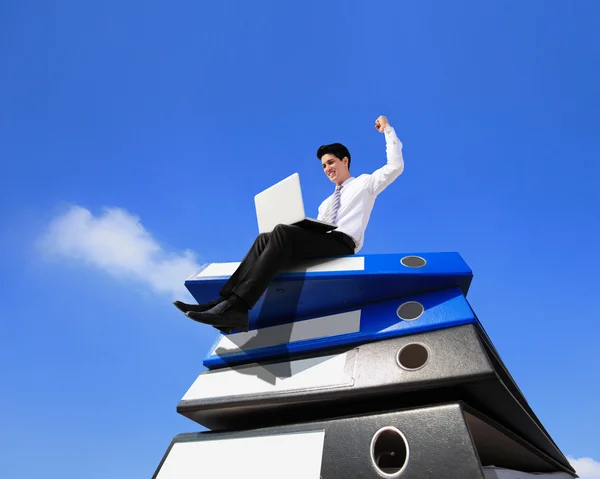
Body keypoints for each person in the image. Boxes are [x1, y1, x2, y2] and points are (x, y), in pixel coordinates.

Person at [173, 115, 405, 332]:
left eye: (331, 162)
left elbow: (395, 166)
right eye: (323, 166)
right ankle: (224, 301)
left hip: (342, 245)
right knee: (266, 236)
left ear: (345, 161)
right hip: (323, 240)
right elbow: (319, 230)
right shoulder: (325, 204)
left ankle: (238, 307)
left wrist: (387, 130)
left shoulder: (365, 183)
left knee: (283, 232)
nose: (327, 169)